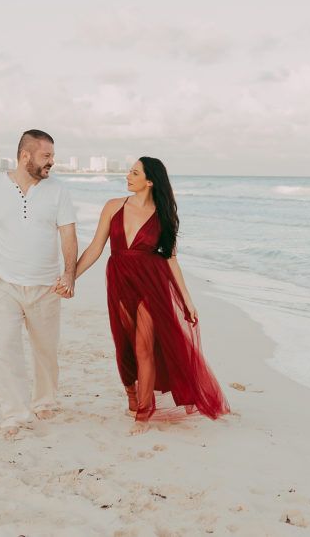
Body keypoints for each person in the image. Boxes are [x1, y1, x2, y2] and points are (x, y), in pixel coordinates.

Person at [67, 156, 228, 435]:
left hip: (152, 284)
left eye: (134, 172)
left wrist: (187, 300)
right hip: (119, 280)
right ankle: (132, 394)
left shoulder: (163, 215)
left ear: (150, 181)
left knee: (144, 347)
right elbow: (95, 247)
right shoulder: (113, 206)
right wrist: (71, 278)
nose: (127, 176)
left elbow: (171, 260)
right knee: (124, 344)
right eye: (130, 172)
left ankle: (143, 413)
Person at [0, 129, 78, 438]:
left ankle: (44, 401)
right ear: (25, 156)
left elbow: (67, 233)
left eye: (52, 157)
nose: (52, 163)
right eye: (46, 156)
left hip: (46, 286)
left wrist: (69, 273)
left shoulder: (58, 190)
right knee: (6, 349)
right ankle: (14, 414)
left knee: (46, 350)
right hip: (4, 285)